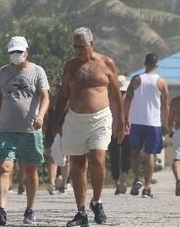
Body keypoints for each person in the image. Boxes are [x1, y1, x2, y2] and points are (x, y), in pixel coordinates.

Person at [52, 27, 126, 226]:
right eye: (75, 46)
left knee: (98, 159)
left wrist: (121, 121)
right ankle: (81, 212)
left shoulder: (106, 63)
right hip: (75, 119)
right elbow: (63, 95)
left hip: (100, 118)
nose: (78, 50)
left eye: (81, 46)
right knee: (78, 165)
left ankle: (97, 201)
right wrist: (55, 121)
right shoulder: (70, 66)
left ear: (91, 44)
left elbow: (117, 95)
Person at [0, 36, 50, 225]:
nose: (16, 55)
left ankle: (30, 210)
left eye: (19, 52)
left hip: (30, 130)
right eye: (13, 52)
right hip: (6, 129)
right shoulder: (3, 72)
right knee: (5, 167)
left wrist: (41, 115)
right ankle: (2, 208)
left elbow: (46, 97)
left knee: (30, 170)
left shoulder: (37, 71)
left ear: (27, 52)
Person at [123, 53, 169, 199]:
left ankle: (137, 178)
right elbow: (165, 105)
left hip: (136, 121)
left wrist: (125, 118)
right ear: (156, 65)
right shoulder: (161, 82)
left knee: (134, 152)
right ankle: (147, 188)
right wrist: (166, 122)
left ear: (144, 63)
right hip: (153, 123)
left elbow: (127, 100)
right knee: (150, 154)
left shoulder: (136, 80)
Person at [44, 85, 71, 195]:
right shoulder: (52, 100)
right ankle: (52, 183)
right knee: (52, 157)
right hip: (52, 130)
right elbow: (47, 115)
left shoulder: (70, 101)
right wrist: (45, 126)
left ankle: (64, 184)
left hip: (66, 131)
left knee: (66, 159)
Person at [108, 75, 131, 195]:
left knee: (114, 157)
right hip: (127, 130)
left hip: (113, 130)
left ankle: (116, 182)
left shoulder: (110, 97)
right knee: (126, 156)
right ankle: (124, 177)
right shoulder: (129, 97)